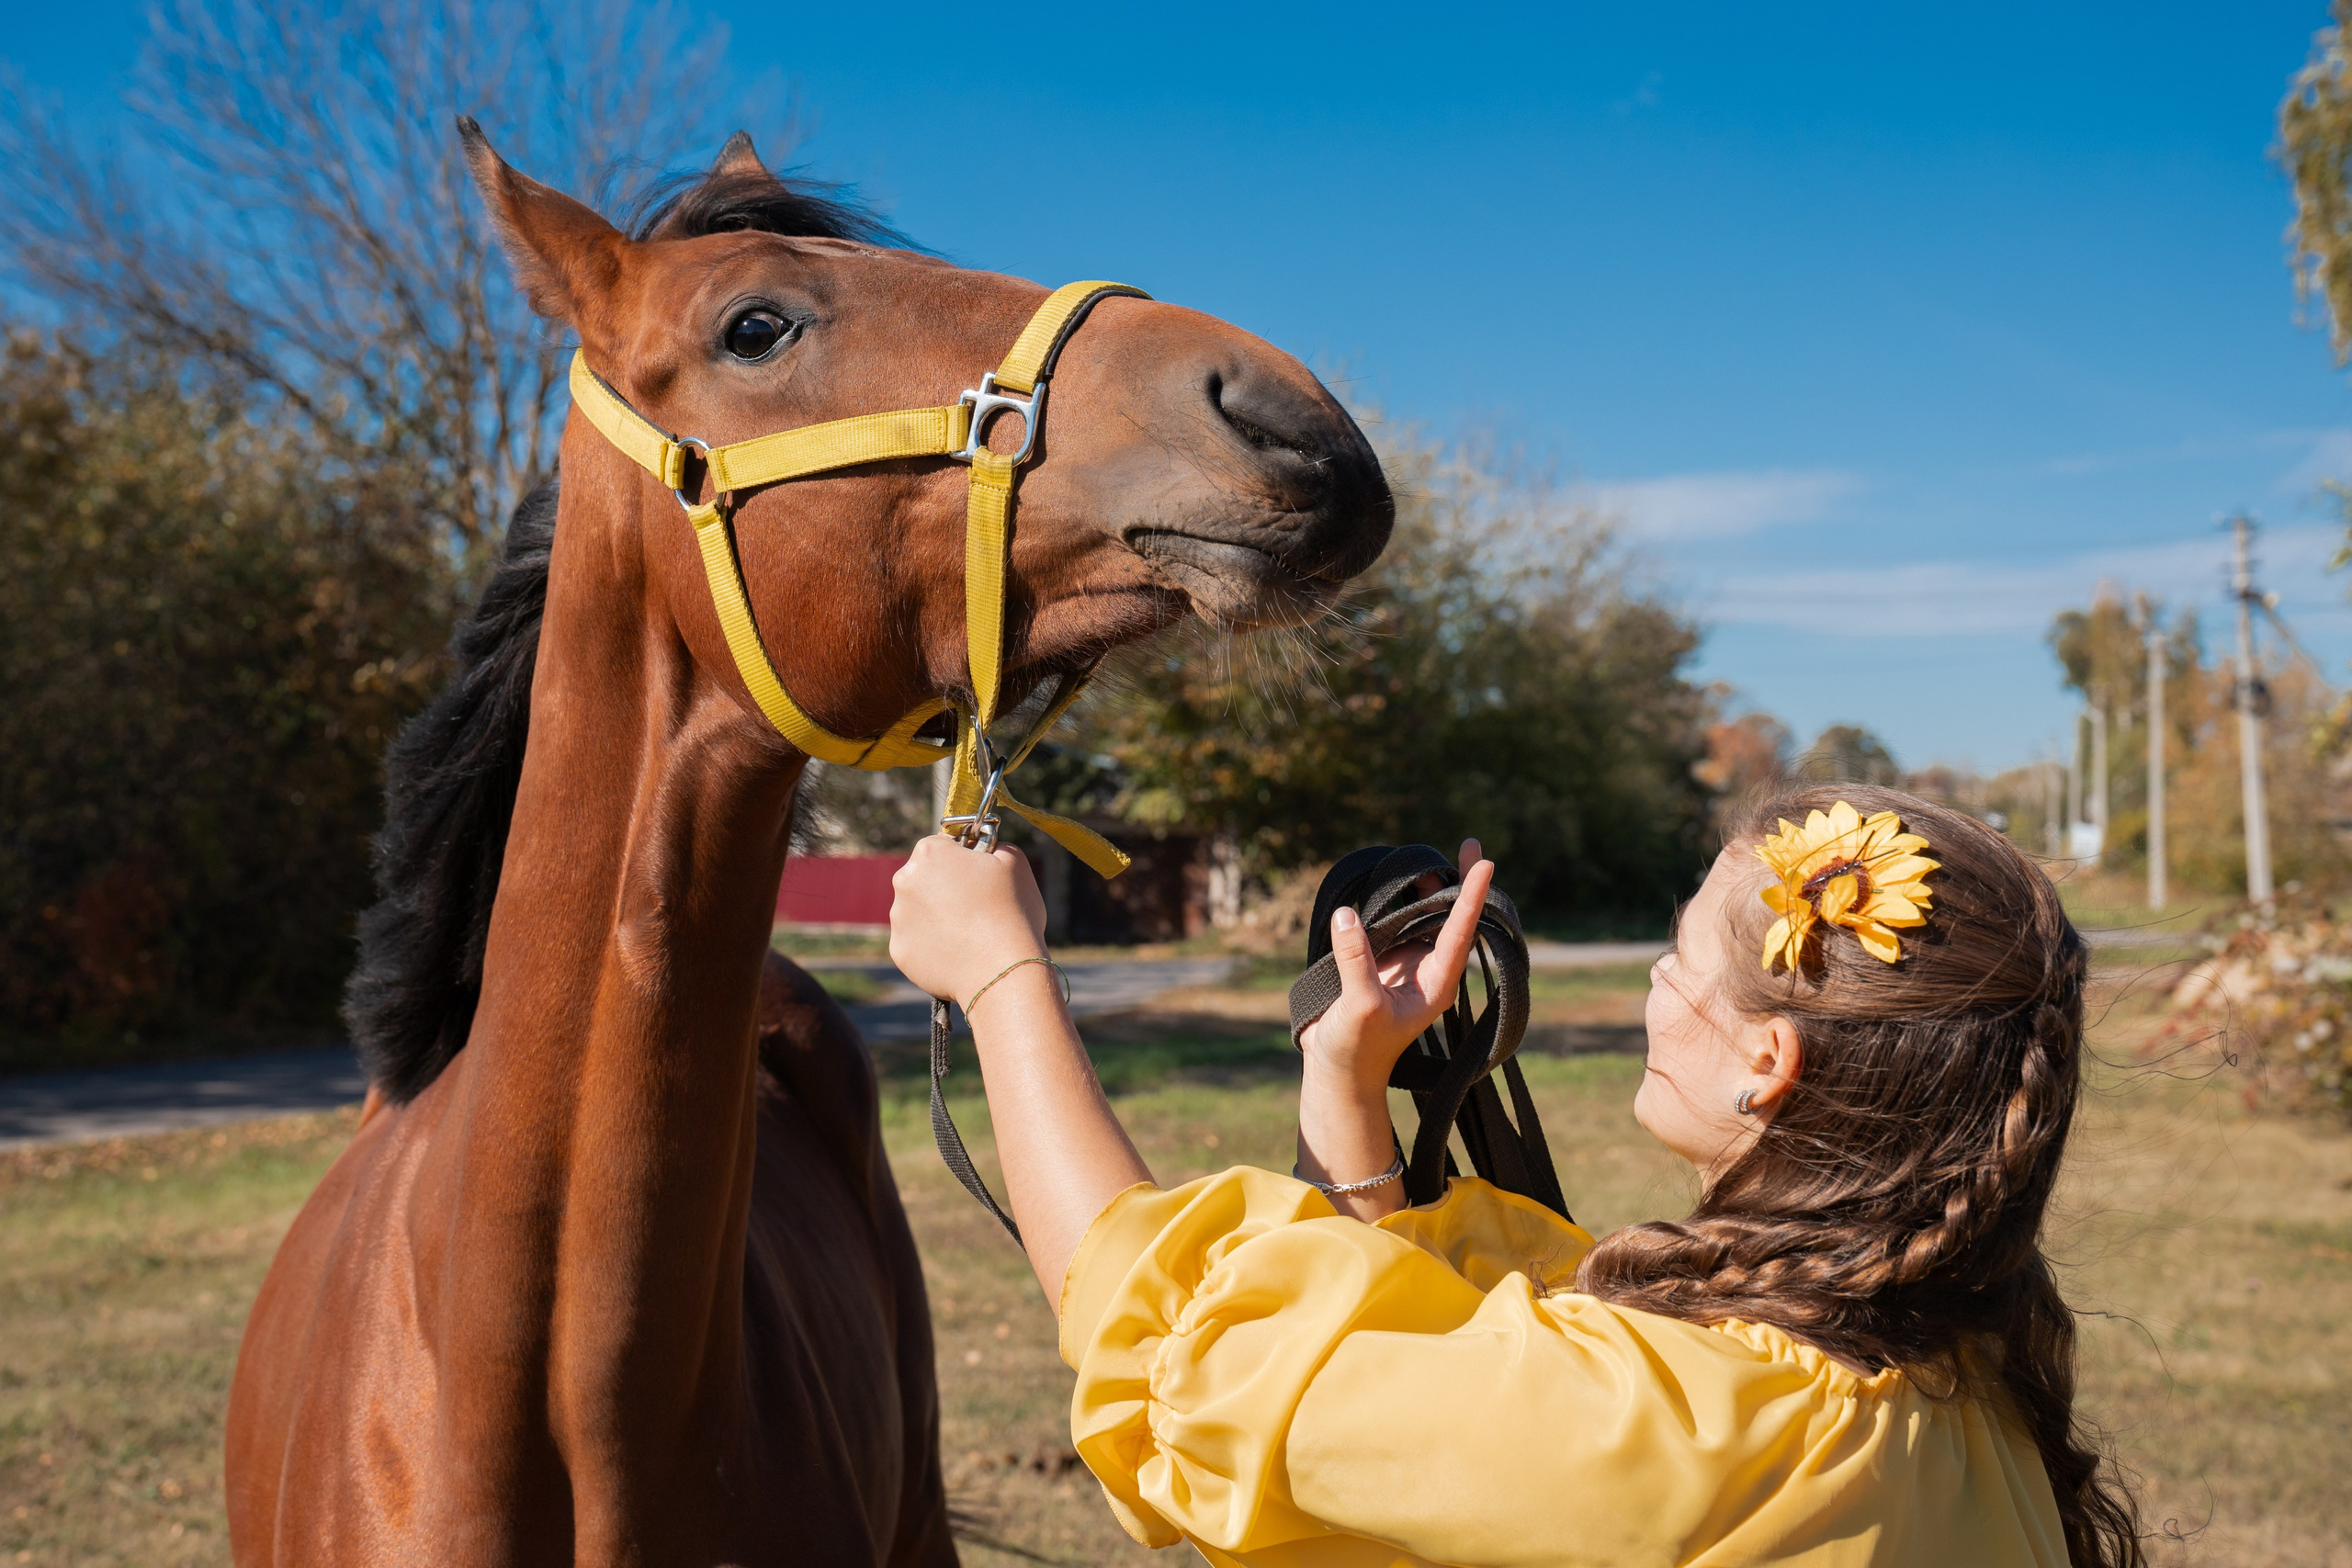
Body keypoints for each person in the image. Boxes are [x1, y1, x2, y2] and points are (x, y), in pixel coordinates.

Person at [888, 784, 2143, 1567]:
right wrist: (1346, 1085)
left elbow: (1173, 1355)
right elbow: (1460, 1341)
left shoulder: (1684, 1433)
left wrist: (999, 973)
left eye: (1677, 954)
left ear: (1769, 1061)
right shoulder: (1958, 1389)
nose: (1655, 981)